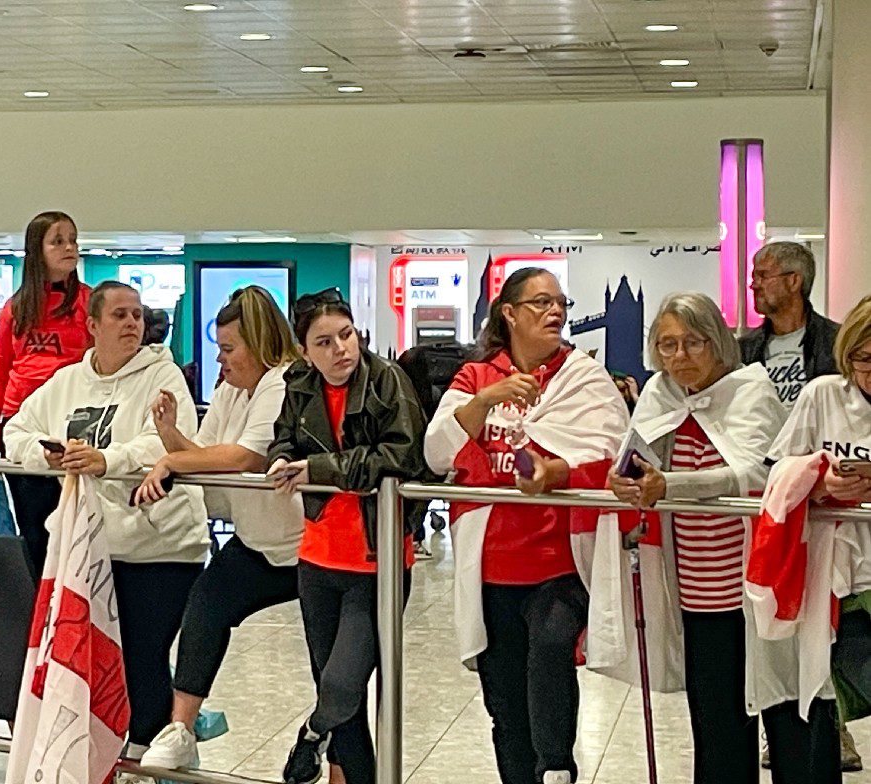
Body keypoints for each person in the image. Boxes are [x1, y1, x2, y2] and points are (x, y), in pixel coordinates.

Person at [423, 268, 629, 784]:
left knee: (553, 647)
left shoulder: (583, 377)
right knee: (505, 700)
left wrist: (554, 471)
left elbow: (611, 453)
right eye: (540, 303)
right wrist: (488, 400)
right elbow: (436, 452)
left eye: (561, 302)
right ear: (509, 313)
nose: (556, 312)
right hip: (491, 566)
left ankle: (557, 767)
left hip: (558, 559)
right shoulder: (475, 377)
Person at [2, 281, 209, 762]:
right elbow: (16, 430)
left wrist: (105, 459)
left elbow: (170, 445)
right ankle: (104, 756)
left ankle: (148, 759)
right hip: (91, 549)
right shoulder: (66, 382)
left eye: (137, 315)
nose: (132, 324)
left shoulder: (163, 376)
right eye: (119, 315)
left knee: (142, 658)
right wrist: (49, 457)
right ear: (92, 326)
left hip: (160, 547)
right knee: (90, 660)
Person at [606, 292, 787, 784]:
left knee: (781, 716)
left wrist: (672, 485)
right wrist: (621, 480)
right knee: (713, 720)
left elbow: (751, 471)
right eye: (666, 345)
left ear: (719, 342)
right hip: (691, 588)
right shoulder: (660, 394)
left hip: (755, 585)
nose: (678, 357)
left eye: (692, 343)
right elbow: (634, 459)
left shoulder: (750, 390)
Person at [260, 288, 428, 784]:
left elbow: (398, 457)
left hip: (375, 563)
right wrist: (279, 459)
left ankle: (312, 734)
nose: (342, 350)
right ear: (306, 351)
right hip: (316, 558)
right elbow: (284, 437)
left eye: (348, 335)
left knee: (341, 685)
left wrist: (318, 467)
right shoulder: (300, 385)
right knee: (342, 701)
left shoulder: (387, 381)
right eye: (325, 342)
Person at [135, 286, 305, 772]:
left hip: (308, 548)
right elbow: (204, 456)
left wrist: (169, 459)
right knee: (205, 608)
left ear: (257, 343)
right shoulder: (232, 390)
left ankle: (324, 739)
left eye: (229, 349)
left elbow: (248, 457)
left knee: (329, 662)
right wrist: (170, 436)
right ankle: (181, 730)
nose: (221, 359)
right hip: (257, 544)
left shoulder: (285, 382)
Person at [753, 294, 871, 784]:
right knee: (825, 696)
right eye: (866, 360)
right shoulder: (823, 394)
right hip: (834, 576)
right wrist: (819, 481)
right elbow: (778, 467)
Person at [0, 211, 93, 572]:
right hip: (21, 427)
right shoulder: (16, 308)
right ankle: (38, 609)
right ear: (36, 250)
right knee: (34, 531)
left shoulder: (89, 302)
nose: (69, 248)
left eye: (72, 240)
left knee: (78, 525)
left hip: (74, 424)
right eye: (58, 241)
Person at [740, 241, 842, 409]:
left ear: (794, 281)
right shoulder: (745, 349)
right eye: (754, 277)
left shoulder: (837, 343)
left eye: (763, 276)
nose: (754, 285)